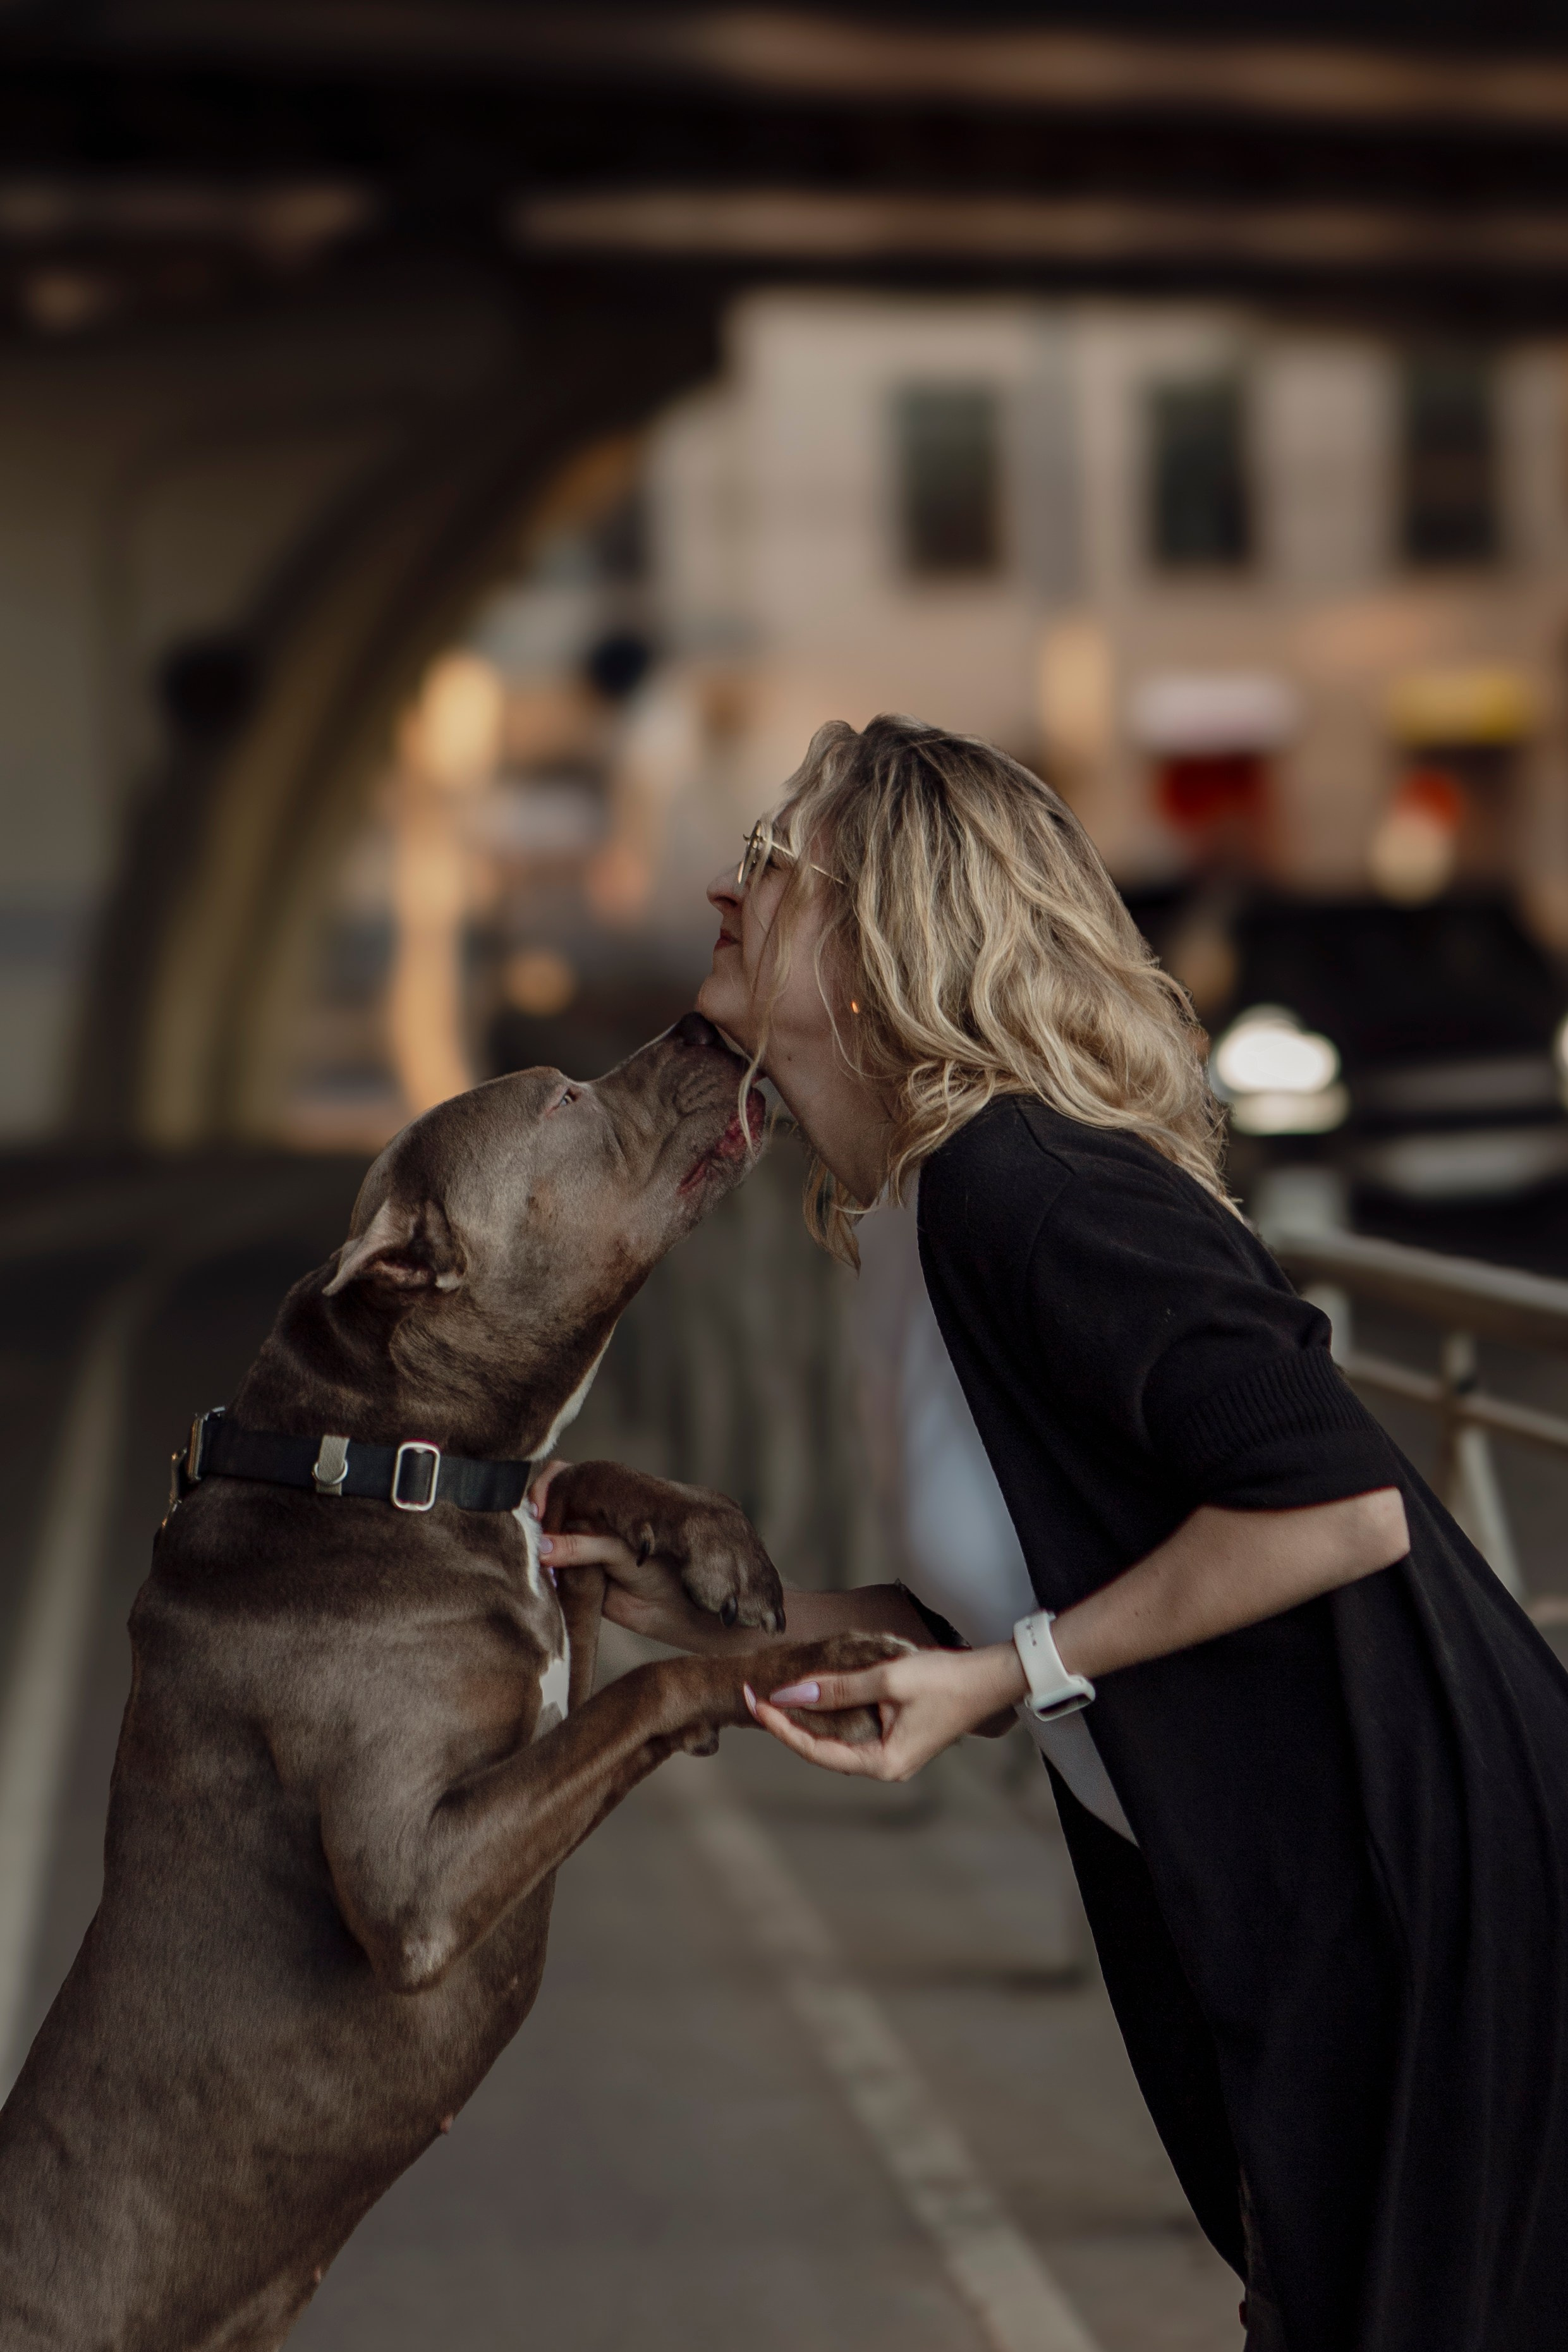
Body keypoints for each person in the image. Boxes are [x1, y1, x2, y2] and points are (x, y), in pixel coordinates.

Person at [537, 714, 1568, 2352]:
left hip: (1416, 1866)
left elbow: (1340, 1502)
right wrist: (730, 1622)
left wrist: (1012, 1675)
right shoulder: (904, 1217)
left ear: (884, 935)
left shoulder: (1028, 1182)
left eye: (772, 864)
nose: (727, 895)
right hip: (1256, 1875)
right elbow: (995, 1592)